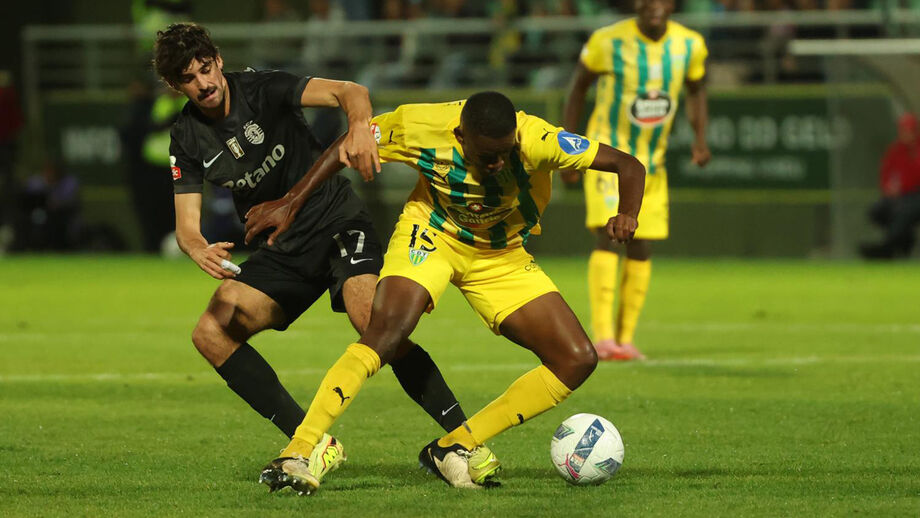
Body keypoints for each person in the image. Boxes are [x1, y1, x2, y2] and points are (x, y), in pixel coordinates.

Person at [245, 91, 645, 493]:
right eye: (487, 156)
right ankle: (298, 451)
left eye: (504, 153)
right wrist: (291, 201)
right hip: (432, 234)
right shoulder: (421, 125)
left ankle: (455, 445)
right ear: (460, 136)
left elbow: (628, 165)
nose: (497, 164)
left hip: (500, 255)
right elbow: (351, 142)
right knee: (386, 333)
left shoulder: (538, 139)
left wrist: (627, 212)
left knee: (576, 359)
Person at [153, 22, 489, 487]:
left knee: (373, 321)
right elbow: (187, 227)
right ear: (176, 86)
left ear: (219, 60)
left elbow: (352, 91)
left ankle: (464, 440)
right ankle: (310, 444)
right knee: (211, 332)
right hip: (281, 248)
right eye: (189, 78)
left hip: (334, 220)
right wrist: (198, 248)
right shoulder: (187, 136)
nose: (203, 83)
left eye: (206, 68)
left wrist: (360, 129)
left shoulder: (264, 89)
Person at [561, 0, 710, 361]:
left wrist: (700, 138)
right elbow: (578, 89)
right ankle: (603, 337)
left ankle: (625, 341)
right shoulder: (607, 41)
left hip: (652, 163)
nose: (654, 6)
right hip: (607, 158)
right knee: (609, 234)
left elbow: (696, 90)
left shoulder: (690, 45)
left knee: (641, 244)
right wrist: (568, 147)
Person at [860, 113, 920, 260]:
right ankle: (906, 239)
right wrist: (888, 188)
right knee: (877, 210)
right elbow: (885, 175)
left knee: (905, 212)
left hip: (916, 195)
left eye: (909, 130)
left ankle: (887, 248)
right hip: (899, 196)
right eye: (903, 130)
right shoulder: (895, 150)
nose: (906, 134)